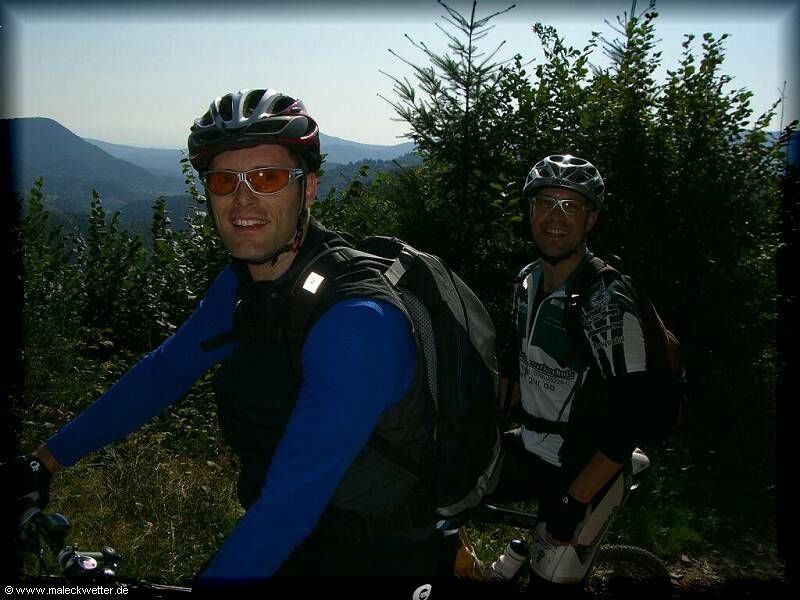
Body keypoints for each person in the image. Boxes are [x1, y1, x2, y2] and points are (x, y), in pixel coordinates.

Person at [11, 88, 460, 584]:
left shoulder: (356, 322)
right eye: (225, 180)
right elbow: (165, 372)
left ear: (308, 189)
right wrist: (44, 461)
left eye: (267, 178)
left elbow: (289, 506)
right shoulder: (247, 285)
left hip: (374, 557)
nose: (243, 200)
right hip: (298, 538)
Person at [492, 154, 647, 584]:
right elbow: (514, 365)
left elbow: (629, 418)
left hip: (585, 466)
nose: (555, 217)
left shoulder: (606, 302)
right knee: (442, 489)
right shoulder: (527, 281)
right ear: (530, 211)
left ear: (591, 220)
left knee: (551, 579)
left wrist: (576, 500)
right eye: (545, 202)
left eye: (571, 206)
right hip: (531, 443)